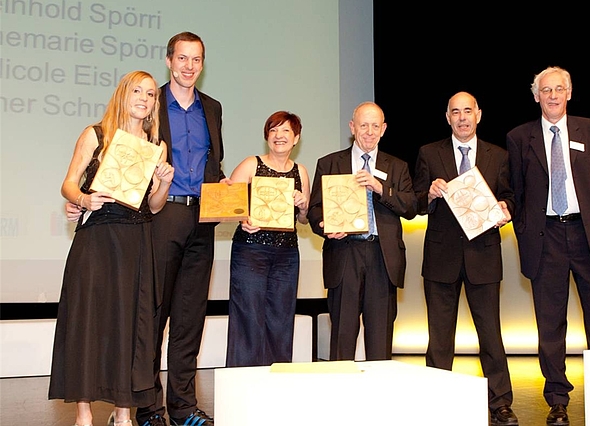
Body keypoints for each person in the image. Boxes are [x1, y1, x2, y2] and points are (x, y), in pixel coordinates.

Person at [49, 70, 174, 426]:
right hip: (98, 239)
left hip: (137, 242)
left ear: (154, 105)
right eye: (137, 91)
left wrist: (165, 183)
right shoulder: (96, 135)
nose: (144, 98)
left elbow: (154, 205)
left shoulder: (157, 146)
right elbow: (69, 185)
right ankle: (84, 414)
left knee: (130, 326)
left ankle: (123, 414)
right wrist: (85, 200)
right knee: (88, 321)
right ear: (123, 94)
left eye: (150, 94)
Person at [505, 66, 590, 426]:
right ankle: (557, 400)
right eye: (546, 90)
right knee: (550, 326)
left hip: (589, 235)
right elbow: (515, 192)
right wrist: (523, 228)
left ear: (570, 93)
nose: (553, 95)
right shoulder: (518, 137)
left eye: (560, 89)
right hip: (545, 241)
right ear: (536, 96)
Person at [412, 91, 518, 426]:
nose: (462, 117)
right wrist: (428, 193)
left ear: (479, 115)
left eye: (467, 111)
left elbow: (510, 197)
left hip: (483, 256)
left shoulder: (498, 156)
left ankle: (500, 403)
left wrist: (506, 210)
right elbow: (415, 202)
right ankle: (438, 401)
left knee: (491, 335)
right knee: (439, 338)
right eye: (455, 112)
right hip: (441, 257)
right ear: (447, 117)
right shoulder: (429, 153)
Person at [137, 31, 225, 426]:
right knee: (153, 314)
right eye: (183, 59)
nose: (190, 66)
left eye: (197, 59)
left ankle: (184, 406)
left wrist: (222, 188)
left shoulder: (213, 107)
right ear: (169, 61)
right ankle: (147, 406)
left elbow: (213, 162)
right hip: (160, 216)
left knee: (190, 317)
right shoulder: (150, 104)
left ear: (202, 64)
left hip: (202, 219)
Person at [307, 101, 417, 361]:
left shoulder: (397, 167)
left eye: (375, 126)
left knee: (380, 337)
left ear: (384, 129)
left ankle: (377, 397)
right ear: (352, 127)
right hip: (344, 253)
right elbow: (314, 210)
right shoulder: (330, 163)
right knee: (343, 334)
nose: (369, 131)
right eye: (363, 125)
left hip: (382, 256)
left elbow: (411, 206)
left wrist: (381, 189)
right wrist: (325, 226)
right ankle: (340, 395)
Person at [224, 111, 311, 367]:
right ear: (266, 136)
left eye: (285, 131)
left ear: (296, 138)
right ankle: (242, 381)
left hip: (287, 254)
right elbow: (230, 204)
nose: (279, 136)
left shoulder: (301, 172)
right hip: (250, 250)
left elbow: (304, 219)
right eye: (273, 130)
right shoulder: (252, 164)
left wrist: (304, 204)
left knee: (282, 319)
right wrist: (243, 219)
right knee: (247, 317)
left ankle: (276, 381)